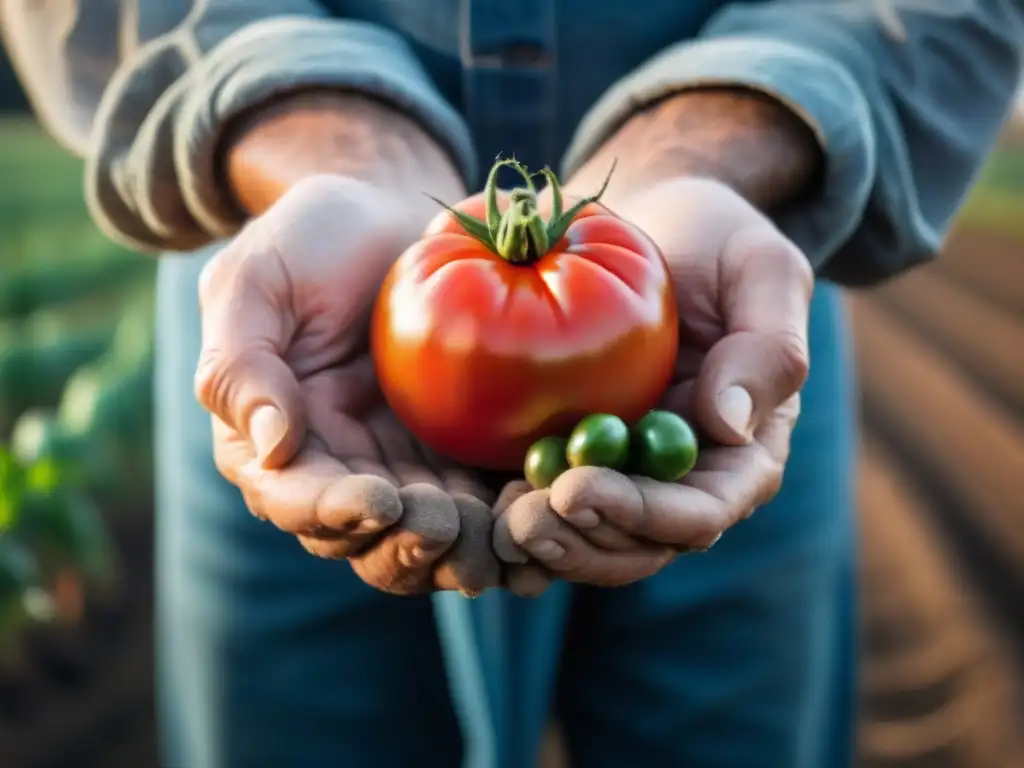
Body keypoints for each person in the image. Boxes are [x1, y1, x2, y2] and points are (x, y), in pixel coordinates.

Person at [3, 1, 1021, 766]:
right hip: (304, 325)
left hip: (716, 315)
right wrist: (317, 131)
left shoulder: (694, 313)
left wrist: (722, 137)